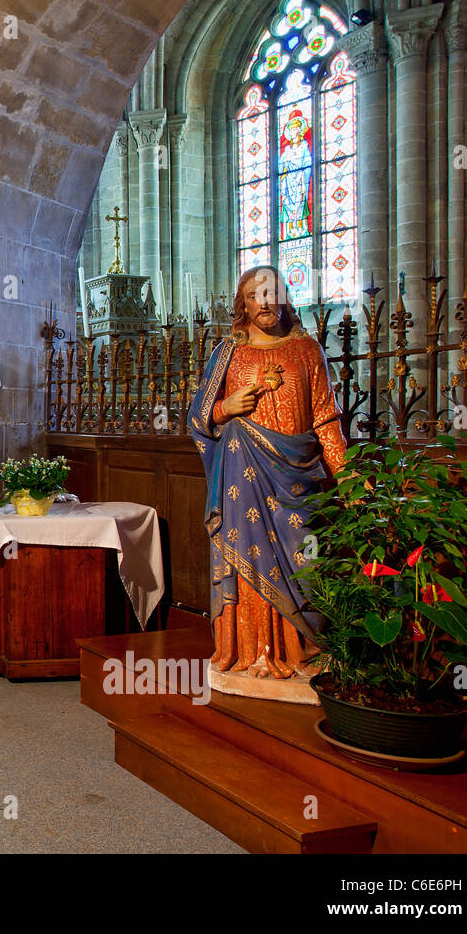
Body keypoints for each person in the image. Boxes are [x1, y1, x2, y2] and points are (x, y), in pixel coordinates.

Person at [187, 266, 347, 685]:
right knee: (248, 563)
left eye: (273, 293)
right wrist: (226, 408)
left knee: (304, 563)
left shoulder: (307, 350)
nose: (265, 301)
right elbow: (198, 418)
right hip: (243, 475)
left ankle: (302, 649)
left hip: (296, 478)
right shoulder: (228, 352)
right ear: (243, 303)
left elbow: (327, 419)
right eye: (255, 295)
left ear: (285, 298)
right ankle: (250, 651)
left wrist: (348, 476)